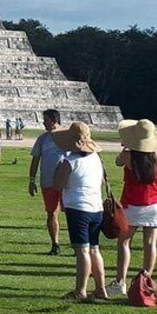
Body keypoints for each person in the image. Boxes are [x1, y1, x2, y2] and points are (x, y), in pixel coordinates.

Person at [106, 119, 157, 296]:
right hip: (154, 202)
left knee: (124, 242)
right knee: (150, 243)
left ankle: (120, 281)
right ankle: (146, 278)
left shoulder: (128, 156)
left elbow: (118, 161)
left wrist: (127, 145)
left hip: (133, 202)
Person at [52, 122, 107, 301]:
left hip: (78, 207)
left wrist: (58, 170)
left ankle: (80, 290)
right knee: (94, 249)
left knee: (82, 250)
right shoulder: (96, 158)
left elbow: (57, 185)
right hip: (96, 206)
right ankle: (100, 288)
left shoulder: (70, 162)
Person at [29, 109, 65, 255]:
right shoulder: (43, 139)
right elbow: (35, 159)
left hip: (66, 181)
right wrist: (32, 179)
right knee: (51, 213)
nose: (43, 122)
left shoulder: (66, 136)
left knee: (70, 213)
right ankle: (55, 243)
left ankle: (78, 243)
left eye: (46, 120)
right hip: (48, 181)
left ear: (53, 120)